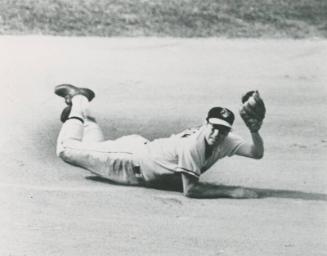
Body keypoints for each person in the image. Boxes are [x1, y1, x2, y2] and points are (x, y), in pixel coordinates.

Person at [55, 84, 265, 199]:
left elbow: (256, 153)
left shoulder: (225, 140)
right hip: (128, 161)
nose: (217, 133)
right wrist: (232, 192)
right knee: (66, 149)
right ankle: (79, 99)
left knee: (92, 149)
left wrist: (254, 131)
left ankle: (82, 117)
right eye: (214, 127)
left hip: (138, 152)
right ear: (205, 124)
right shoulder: (193, 145)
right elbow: (191, 190)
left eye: (223, 130)